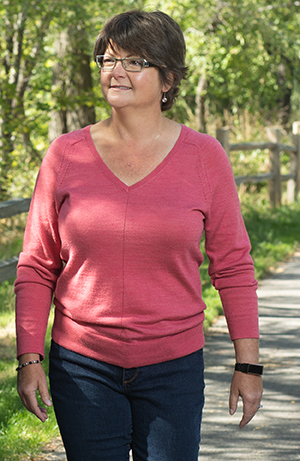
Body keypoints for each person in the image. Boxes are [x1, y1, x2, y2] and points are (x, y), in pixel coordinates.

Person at [15, 10, 263, 461]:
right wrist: (29, 358)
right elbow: (36, 264)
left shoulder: (205, 157)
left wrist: (248, 363)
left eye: (135, 62)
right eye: (108, 60)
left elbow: (233, 265)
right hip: (82, 366)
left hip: (174, 368)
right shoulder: (65, 155)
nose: (116, 71)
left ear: (168, 78)